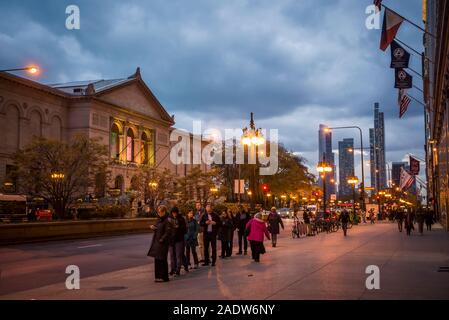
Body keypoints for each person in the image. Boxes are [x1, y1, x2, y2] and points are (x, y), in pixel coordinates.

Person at [147, 205, 171, 282]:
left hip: (163, 243)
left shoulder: (167, 220)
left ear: (164, 212)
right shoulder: (159, 219)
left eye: (160, 212)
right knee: (157, 259)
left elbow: (167, 232)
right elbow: (158, 228)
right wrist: (153, 227)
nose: (159, 213)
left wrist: (162, 239)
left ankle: (164, 277)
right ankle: (158, 276)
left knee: (162, 259)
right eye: (158, 212)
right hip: (157, 242)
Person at [168, 207, 189, 276]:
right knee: (172, 255)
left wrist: (179, 227)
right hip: (171, 240)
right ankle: (172, 269)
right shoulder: (169, 219)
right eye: (173, 213)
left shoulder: (181, 219)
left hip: (179, 240)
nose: (174, 214)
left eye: (175, 213)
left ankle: (178, 270)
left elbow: (185, 230)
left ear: (177, 212)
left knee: (179, 255)